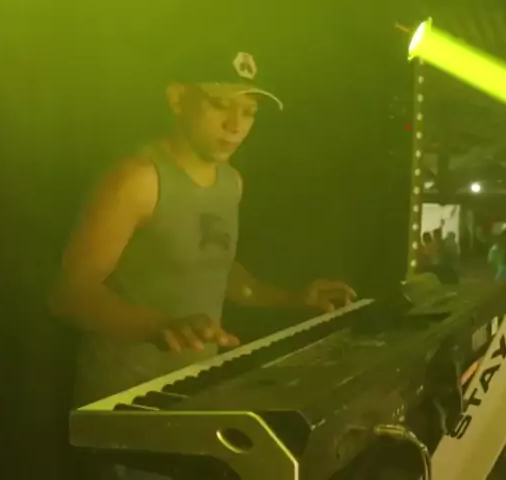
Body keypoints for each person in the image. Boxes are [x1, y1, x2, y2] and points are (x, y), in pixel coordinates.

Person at [51, 44, 356, 478]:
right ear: (178, 99)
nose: (236, 124)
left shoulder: (231, 182)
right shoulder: (138, 178)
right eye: (219, 104)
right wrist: (159, 327)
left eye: (249, 112)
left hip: (195, 402)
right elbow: (70, 293)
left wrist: (292, 299)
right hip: (124, 410)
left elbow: (219, 269)